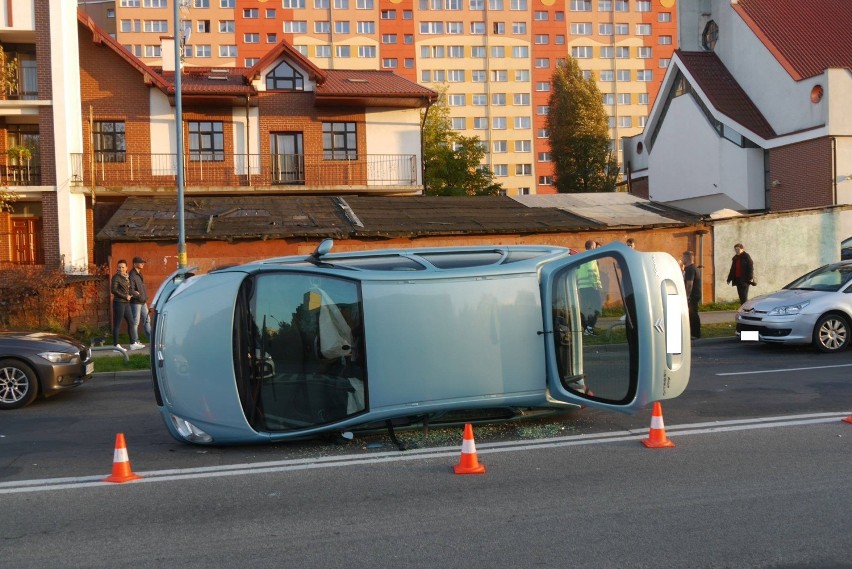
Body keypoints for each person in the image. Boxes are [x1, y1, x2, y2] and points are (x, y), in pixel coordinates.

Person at [111, 259, 143, 350]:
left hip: (126, 303)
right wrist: (125, 296)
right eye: (119, 267)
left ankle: (133, 343)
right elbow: (113, 290)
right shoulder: (116, 277)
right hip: (119, 303)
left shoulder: (126, 277)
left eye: (122, 267)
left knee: (131, 323)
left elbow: (127, 289)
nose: (121, 269)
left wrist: (134, 293)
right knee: (117, 324)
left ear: (126, 268)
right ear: (117, 268)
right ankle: (116, 346)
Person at [577, 239, 603, 336]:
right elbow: (591, 271)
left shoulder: (581, 256)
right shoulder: (591, 257)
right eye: (595, 246)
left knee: (585, 308)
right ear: (592, 247)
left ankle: (586, 328)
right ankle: (590, 327)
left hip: (582, 287)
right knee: (597, 307)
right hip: (591, 286)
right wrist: (596, 285)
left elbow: (577, 271)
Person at [129, 256, 151, 343]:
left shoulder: (139, 274)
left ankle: (151, 340)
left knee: (147, 320)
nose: (143, 264)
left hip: (143, 302)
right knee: (135, 322)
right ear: (135, 264)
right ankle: (135, 341)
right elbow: (130, 289)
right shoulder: (132, 275)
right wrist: (137, 294)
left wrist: (144, 297)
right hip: (136, 302)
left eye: (143, 262)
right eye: (140, 262)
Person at [682, 250, 701, 340]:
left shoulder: (690, 269)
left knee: (693, 314)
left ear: (687, 258)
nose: (682, 260)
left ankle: (695, 334)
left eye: (683, 258)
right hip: (695, 294)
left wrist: (686, 296)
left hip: (692, 295)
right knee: (692, 314)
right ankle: (693, 333)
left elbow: (689, 284)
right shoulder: (692, 268)